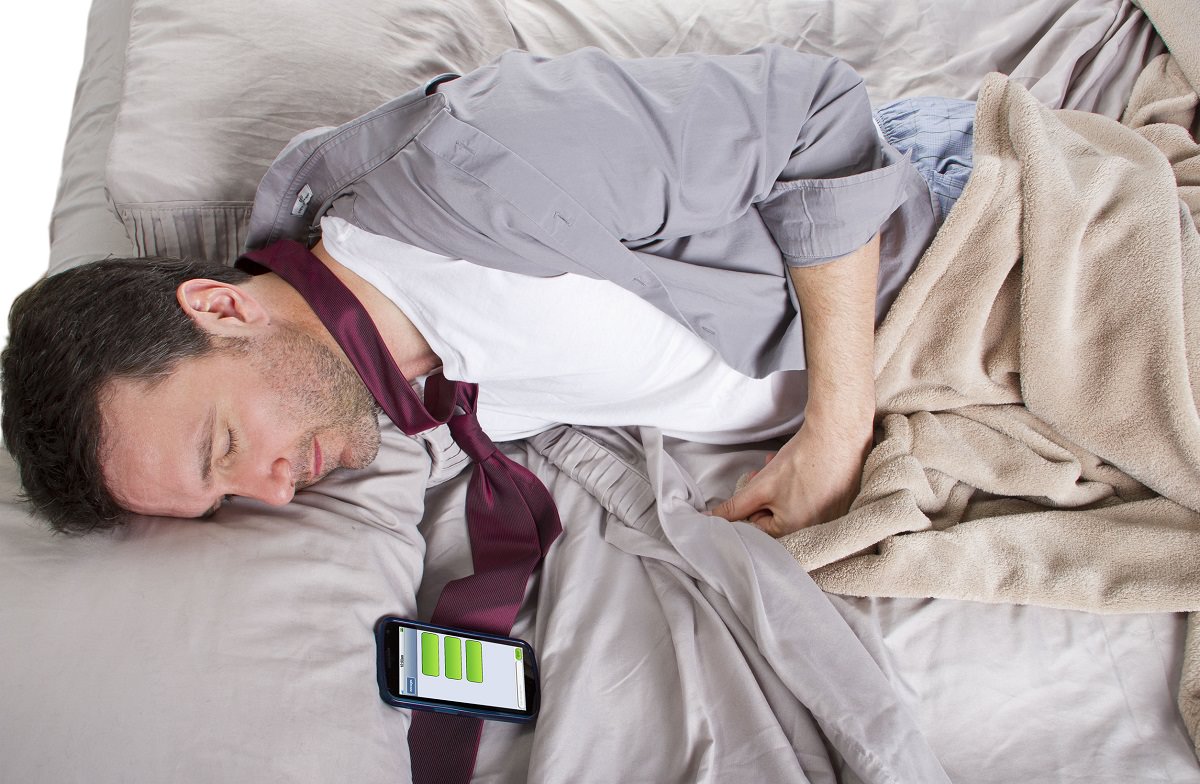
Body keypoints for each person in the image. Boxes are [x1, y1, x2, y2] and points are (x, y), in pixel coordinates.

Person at [1, 46, 974, 537]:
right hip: (923, 385)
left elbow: (815, 113)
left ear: (221, 307)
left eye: (223, 447)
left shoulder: (480, 168)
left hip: (947, 228)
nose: (270, 489)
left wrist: (838, 426)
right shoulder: (392, 395)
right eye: (222, 500)